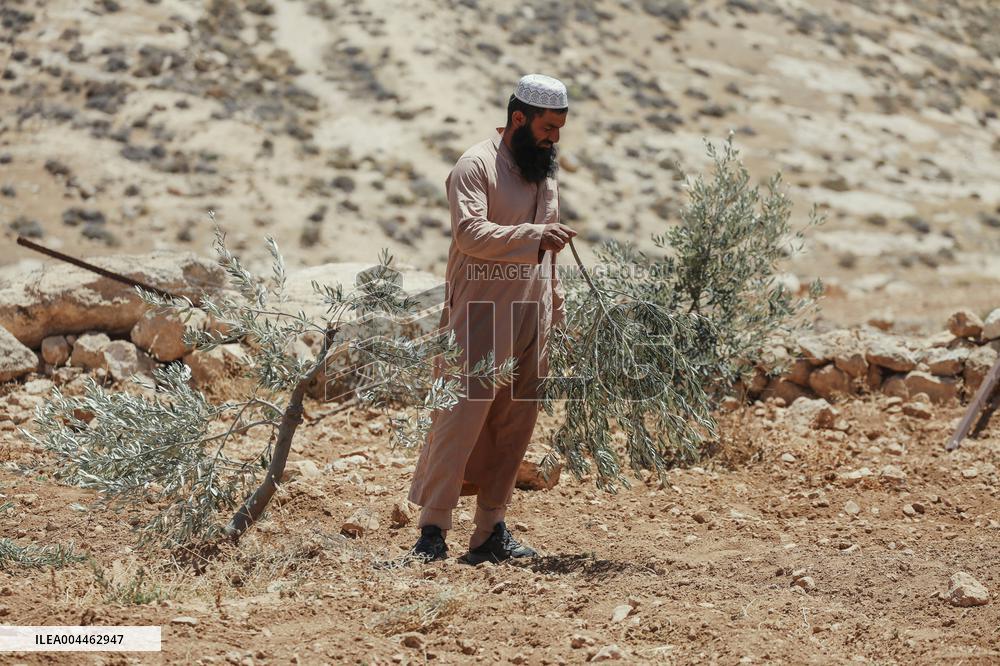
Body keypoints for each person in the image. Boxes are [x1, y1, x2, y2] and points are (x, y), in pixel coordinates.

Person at [406, 74, 576, 564]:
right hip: (479, 312)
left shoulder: (543, 171)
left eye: (560, 128)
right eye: (548, 127)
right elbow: (470, 234)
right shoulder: (474, 165)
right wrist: (533, 236)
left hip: (531, 314)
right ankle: (433, 531)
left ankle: (489, 532)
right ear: (518, 118)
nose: (555, 138)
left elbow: (550, 255)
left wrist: (555, 311)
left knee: (513, 424)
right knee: (459, 419)